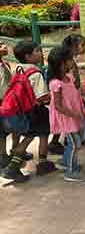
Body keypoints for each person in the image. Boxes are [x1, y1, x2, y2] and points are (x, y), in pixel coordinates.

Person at [2, 41, 55, 182]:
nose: (40, 53)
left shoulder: (18, 68)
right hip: (37, 110)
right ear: (28, 56)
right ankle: (15, 168)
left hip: (24, 109)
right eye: (37, 51)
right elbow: (42, 96)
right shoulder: (36, 73)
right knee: (38, 136)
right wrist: (52, 96)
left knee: (35, 135)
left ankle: (38, 164)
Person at [47, 47, 85, 182]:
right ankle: (71, 171)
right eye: (71, 59)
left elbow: (75, 95)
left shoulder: (69, 78)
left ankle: (67, 162)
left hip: (74, 115)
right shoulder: (56, 83)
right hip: (67, 118)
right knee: (76, 143)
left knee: (74, 142)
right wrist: (75, 114)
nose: (74, 61)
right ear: (62, 63)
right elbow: (58, 106)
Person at [0, 41, 28, 169]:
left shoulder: (5, 64)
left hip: (10, 102)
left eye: (4, 44)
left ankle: (15, 150)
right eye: (0, 45)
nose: (5, 47)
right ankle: (3, 155)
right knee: (1, 131)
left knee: (16, 127)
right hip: (1, 103)